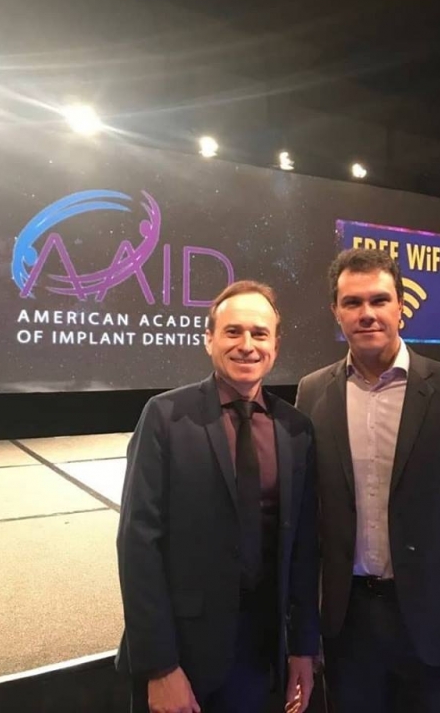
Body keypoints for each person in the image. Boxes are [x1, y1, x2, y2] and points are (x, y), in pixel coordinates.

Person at [295, 248, 440, 712]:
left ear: (401, 305)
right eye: (352, 302)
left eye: (379, 300)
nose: (367, 313)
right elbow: (305, 520)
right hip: (348, 627)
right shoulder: (312, 392)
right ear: (336, 312)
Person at [116, 280, 319, 713]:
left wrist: (303, 648)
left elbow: (303, 550)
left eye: (259, 334)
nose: (247, 345)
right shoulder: (165, 417)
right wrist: (159, 667)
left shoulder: (296, 430)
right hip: (180, 654)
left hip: (258, 658)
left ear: (275, 345)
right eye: (233, 332)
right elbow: (138, 546)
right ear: (209, 339)